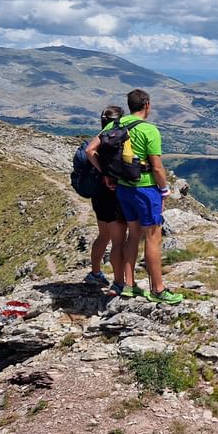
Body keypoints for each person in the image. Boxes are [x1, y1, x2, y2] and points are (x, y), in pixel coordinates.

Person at [109, 89, 183, 305]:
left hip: (123, 188)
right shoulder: (149, 130)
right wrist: (164, 189)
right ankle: (158, 289)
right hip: (146, 188)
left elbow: (92, 150)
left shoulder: (116, 124)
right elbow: (158, 167)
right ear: (147, 105)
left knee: (133, 234)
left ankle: (129, 286)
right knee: (153, 237)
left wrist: (107, 177)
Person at [83, 106, 127, 295]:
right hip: (112, 193)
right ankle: (118, 283)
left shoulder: (100, 136)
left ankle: (95, 272)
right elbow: (89, 150)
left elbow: (89, 151)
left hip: (99, 194)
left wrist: (101, 170)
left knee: (104, 235)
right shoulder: (115, 138)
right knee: (118, 240)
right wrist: (107, 172)